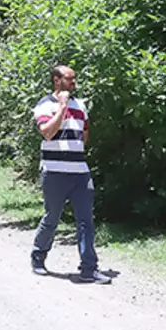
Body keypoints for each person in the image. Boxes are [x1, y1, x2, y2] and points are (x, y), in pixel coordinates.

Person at [30, 65, 109, 283]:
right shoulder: (44, 105)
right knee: (52, 218)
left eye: (74, 79)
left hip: (80, 172)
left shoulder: (81, 105)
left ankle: (88, 268)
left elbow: (84, 134)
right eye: (69, 79)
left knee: (86, 220)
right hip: (54, 172)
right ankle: (38, 256)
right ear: (56, 80)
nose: (73, 83)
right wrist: (62, 107)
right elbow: (47, 133)